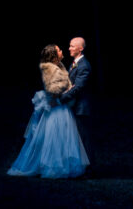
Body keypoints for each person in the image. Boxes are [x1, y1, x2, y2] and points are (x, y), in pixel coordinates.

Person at [7, 44, 89, 179]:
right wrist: (68, 88)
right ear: (54, 56)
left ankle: (61, 164)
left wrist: (68, 87)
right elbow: (52, 89)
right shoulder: (50, 69)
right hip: (56, 108)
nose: (63, 51)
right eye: (59, 50)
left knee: (62, 138)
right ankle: (52, 165)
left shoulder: (59, 66)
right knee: (54, 136)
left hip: (61, 107)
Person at [60, 37, 94, 166]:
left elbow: (78, 87)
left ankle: (89, 168)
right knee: (77, 139)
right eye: (70, 45)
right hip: (74, 106)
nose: (69, 48)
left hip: (81, 108)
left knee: (84, 139)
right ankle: (80, 165)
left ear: (81, 48)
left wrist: (61, 98)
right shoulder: (75, 63)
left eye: (72, 46)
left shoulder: (84, 65)